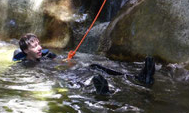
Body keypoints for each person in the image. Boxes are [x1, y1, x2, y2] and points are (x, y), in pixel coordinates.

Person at [13, 33, 155, 94]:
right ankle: (103, 93)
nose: (39, 48)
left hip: (66, 72)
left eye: (38, 44)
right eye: (34, 47)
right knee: (81, 82)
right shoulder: (24, 65)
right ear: (25, 51)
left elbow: (61, 63)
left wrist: (68, 60)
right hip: (61, 78)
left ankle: (136, 77)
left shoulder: (48, 54)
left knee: (93, 67)